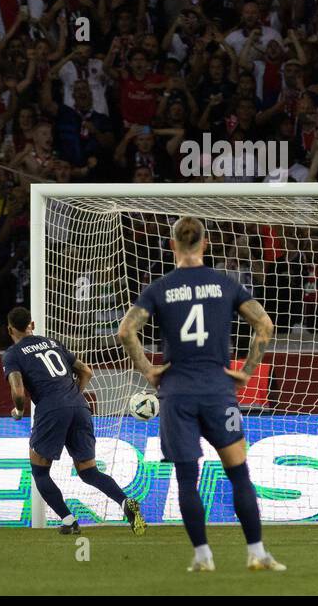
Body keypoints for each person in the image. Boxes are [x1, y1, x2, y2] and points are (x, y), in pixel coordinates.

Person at [116, 216, 282, 573]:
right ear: (205, 244)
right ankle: (256, 552)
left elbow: (126, 330)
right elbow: (265, 325)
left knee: (187, 480)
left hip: (176, 393)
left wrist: (148, 370)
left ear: (173, 245)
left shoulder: (159, 288)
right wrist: (247, 370)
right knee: (239, 474)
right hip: (218, 391)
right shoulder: (225, 283)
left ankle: (203, 557)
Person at [4, 306, 144, 535]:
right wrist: (72, 398)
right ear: (33, 325)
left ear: (9, 329)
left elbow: (18, 392)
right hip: (80, 407)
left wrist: (19, 411)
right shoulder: (53, 343)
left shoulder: (13, 354)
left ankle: (69, 520)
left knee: (40, 472)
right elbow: (86, 371)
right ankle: (125, 502)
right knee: (88, 471)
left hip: (51, 409)